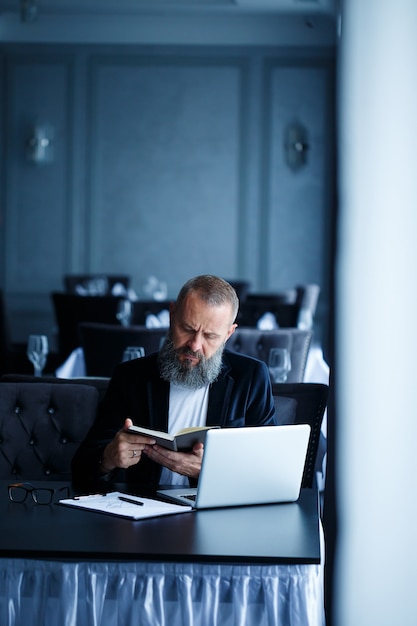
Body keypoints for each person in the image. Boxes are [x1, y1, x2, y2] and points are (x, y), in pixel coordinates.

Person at [72, 275, 277, 490]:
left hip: (216, 515)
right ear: (172, 315)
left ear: (228, 334)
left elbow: (270, 472)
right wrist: (109, 457)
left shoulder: (251, 377)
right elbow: (80, 470)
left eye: (210, 336)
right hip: (143, 514)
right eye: (187, 329)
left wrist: (212, 471)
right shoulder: (131, 376)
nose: (195, 345)